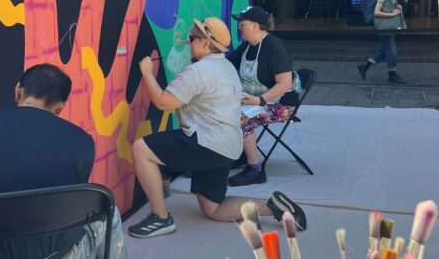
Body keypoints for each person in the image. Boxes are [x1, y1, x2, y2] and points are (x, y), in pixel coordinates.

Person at [127, 17, 307, 239]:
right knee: (214, 209)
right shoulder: (226, 66)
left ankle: (161, 218)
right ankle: (274, 207)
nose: (186, 43)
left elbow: (164, 103)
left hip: (206, 143)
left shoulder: (198, 71)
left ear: (205, 44)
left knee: (141, 149)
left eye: (191, 39)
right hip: (228, 146)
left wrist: (146, 72)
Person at [0, 64, 126, 259]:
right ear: (60, 106)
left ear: (18, 90)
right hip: (59, 254)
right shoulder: (83, 141)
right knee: (109, 210)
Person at [226, 6, 299, 187]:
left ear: (255, 26)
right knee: (224, 110)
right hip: (256, 100)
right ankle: (243, 154)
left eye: (241, 24)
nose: (238, 28)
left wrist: (260, 100)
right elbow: (226, 64)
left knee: (242, 118)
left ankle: (255, 169)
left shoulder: (275, 48)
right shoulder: (246, 46)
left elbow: (285, 84)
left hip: (282, 105)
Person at [357, 0, 406, 84]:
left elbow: (388, 6)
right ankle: (392, 75)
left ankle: (365, 66)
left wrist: (397, 6)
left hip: (388, 26)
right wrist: (392, 14)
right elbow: (376, 12)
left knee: (385, 50)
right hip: (385, 26)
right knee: (392, 51)